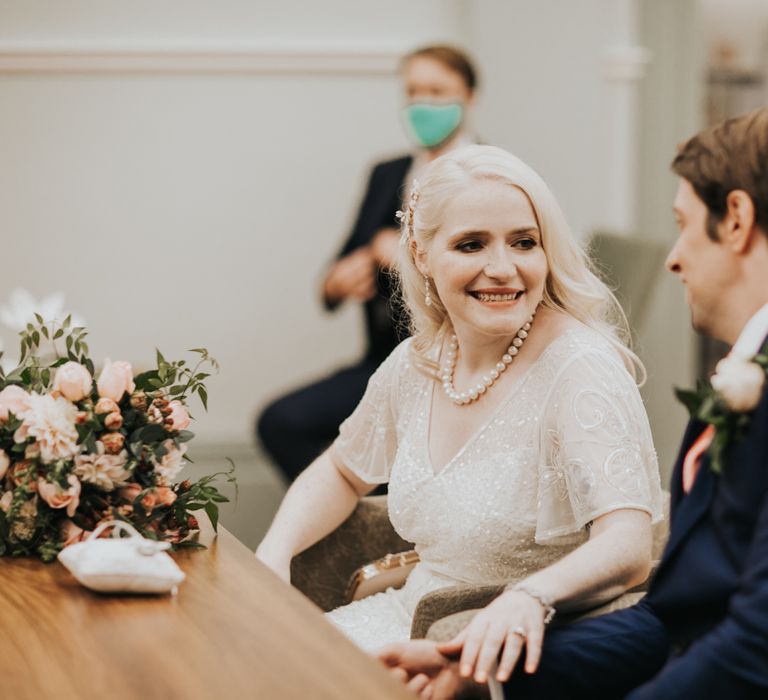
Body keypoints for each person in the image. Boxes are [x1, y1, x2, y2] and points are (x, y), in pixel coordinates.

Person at [379, 107, 768, 699]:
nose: (672, 257)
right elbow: (672, 619)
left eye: (683, 224)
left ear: (735, 220)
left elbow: (752, 647)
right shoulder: (743, 376)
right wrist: (479, 676)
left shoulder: (582, 365)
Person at [256, 144, 664, 653]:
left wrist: (530, 598)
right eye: (471, 245)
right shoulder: (417, 361)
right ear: (422, 255)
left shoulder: (580, 369)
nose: (502, 268)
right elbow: (342, 469)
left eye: (523, 242)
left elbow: (627, 545)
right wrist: (274, 555)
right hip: (402, 616)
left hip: (486, 646)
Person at [257, 45, 479, 482]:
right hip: (382, 360)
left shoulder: (489, 171)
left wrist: (405, 255)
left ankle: (380, 513)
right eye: (413, 92)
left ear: (468, 97)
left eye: (437, 91)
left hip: (457, 362)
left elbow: (490, 270)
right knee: (280, 423)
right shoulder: (387, 173)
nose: (423, 103)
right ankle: (364, 518)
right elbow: (339, 268)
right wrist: (337, 283)